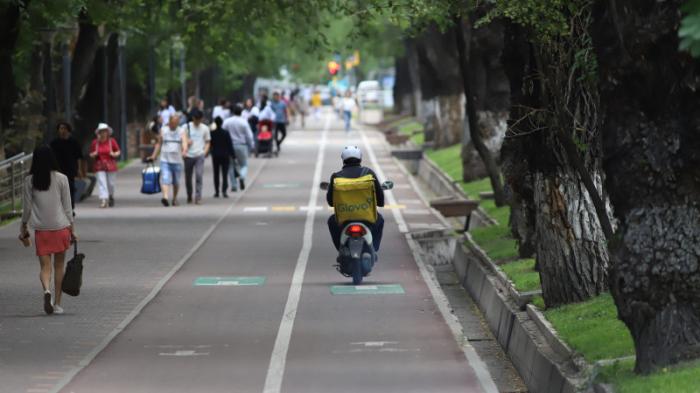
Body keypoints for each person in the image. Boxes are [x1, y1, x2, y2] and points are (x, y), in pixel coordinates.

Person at [20, 145, 76, 315]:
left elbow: (27, 208)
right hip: (60, 228)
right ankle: (57, 304)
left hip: (41, 230)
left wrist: (23, 226)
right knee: (59, 266)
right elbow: (67, 208)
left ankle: (46, 291)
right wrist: (72, 230)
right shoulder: (62, 178)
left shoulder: (29, 180)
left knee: (45, 267)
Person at [326, 146, 385, 252]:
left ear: (343, 159)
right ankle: (374, 248)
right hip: (368, 219)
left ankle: (341, 249)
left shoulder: (336, 176)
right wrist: (380, 203)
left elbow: (330, 202)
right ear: (360, 159)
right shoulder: (368, 173)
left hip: (344, 220)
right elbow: (380, 196)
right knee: (380, 220)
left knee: (331, 221)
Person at [149, 114, 188, 207]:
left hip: (177, 160)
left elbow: (184, 142)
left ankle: (174, 198)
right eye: (172, 122)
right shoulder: (164, 130)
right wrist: (153, 155)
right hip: (165, 159)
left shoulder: (181, 130)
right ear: (169, 122)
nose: (174, 124)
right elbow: (159, 143)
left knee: (176, 182)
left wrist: (184, 151)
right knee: (165, 178)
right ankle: (165, 197)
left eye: (176, 122)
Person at [50, 122, 85, 209]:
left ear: (68, 130)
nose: (63, 130)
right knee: (58, 190)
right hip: (58, 169)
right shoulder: (54, 143)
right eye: (61, 128)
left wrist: (79, 169)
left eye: (64, 128)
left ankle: (70, 207)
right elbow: (50, 156)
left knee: (70, 188)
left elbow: (79, 157)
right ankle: (60, 208)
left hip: (71, 169)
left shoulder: (74, 142)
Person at [222, 105, 255, 192]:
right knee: (244, 165)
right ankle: (242, 176)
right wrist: (251, 145)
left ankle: (234, 185)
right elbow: (249, 136)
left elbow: (223, 132)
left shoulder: (227, 121)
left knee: (231, 166)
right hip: (241, 145)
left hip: (229, 146)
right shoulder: (244, 122)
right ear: (241, 112)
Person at [183, 108, 211, 205]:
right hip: (188, 155)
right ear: (193, 118)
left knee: (199, 175)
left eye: (200, 119)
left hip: (199, 154)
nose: (198, 121)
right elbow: (181, 140)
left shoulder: (205, 128)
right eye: (196, 119)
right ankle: (189, 195)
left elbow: (208, 141)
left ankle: (198, 197)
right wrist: (186, 143)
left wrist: (204, 152)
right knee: (188, 177)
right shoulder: (186, 127)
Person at [89, 123, 120, 208]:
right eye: (101, 131)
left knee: (111, 183)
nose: (103, 133)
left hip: (110, 164)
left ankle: (110, 196)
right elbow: (91, 154)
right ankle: (103, 200)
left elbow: (118, 151)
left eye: (104, 131)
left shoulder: (112, 141)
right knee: (102, 183)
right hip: (99, 165)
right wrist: (93, 154)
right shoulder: (95, 143)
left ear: (108, 132)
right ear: (98, 133)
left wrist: (114, 154)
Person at [210, 116, 234, 198]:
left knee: (216, 174)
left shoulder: (212, 133)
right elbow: (230, 144)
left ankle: (216, 191)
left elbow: (211, 144)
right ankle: (224, 191)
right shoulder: (226, 133)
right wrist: (233, 155)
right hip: (225, 155)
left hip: (215, 155)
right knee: (224, 173)